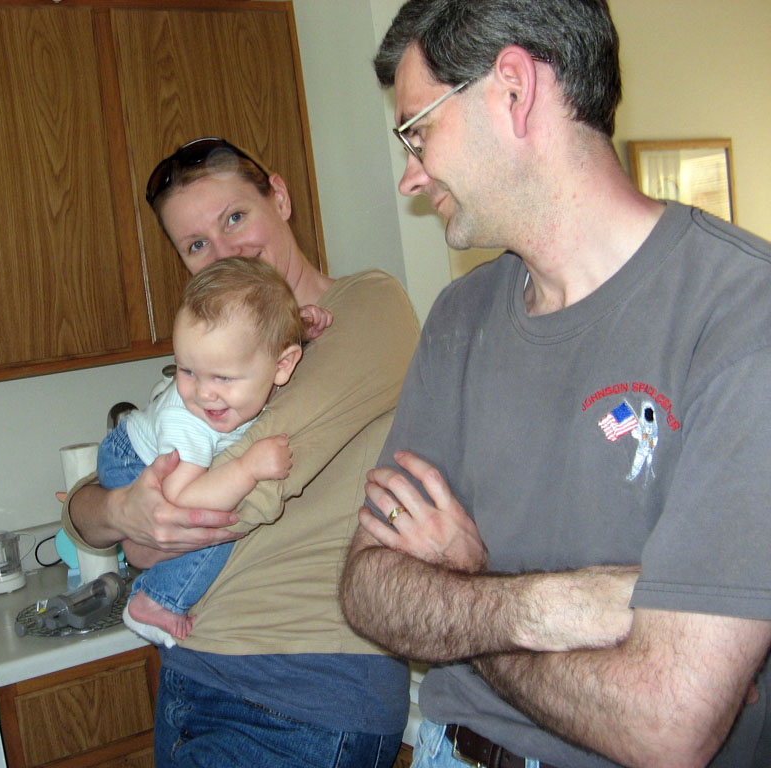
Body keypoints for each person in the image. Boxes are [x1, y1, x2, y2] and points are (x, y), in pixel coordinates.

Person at [339, 2, 771, 768]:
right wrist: (550, 606)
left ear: (513, 89)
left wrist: (466, 587)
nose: (410, 177)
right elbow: (368, 586)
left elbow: (665, 726)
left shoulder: (743, 316)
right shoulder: (459, 316)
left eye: (418, 131)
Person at [62, 137, 420, 767]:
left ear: (278, 197)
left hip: (302, 691)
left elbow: (240, 486)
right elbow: (90, 510)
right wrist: (115, 511)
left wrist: (134, 530)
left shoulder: (367, 305)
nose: (225, 252)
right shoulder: (218, 362)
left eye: (234, 217)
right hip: (192, 672)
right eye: (196, 244)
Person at [98, 256, 318, 647]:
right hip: (133, 462)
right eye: (187, 371)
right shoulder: (190, 422)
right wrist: (247, 469)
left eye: (222, 377)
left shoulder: (252, 373)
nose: (202, 393)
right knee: (215, 526)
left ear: (283, 365)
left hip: (154, 456)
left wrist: (303, 329)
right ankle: (153, 601)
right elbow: (178, 504)